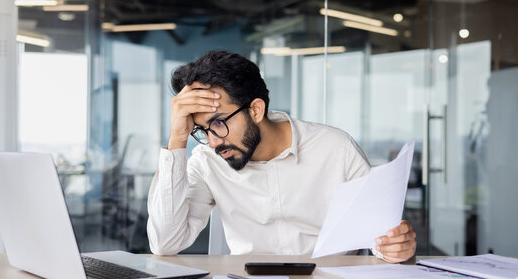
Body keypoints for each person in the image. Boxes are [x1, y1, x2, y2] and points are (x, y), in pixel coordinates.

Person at [147, 50, 416, 263]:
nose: (213, 141)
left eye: (219, 123)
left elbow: (378, 236)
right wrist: (178, 139)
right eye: (203, 130)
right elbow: (165, 243)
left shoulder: (336, 148)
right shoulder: (207, 161)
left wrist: (395, 245)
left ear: (255, 109)